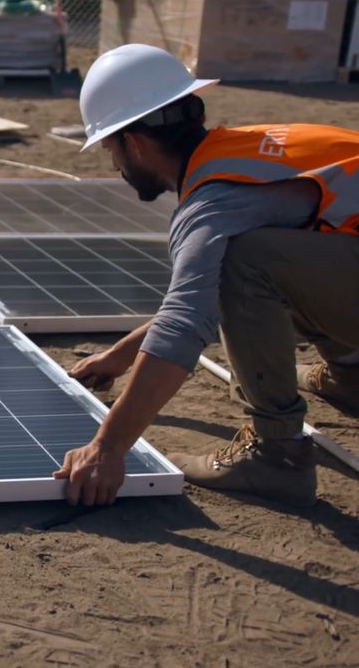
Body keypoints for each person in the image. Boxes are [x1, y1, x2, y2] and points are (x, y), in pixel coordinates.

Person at [54, 43, 359, 508]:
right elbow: (197, 296)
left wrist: (107, 447)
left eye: (110, 149)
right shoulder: (253, 154)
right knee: (269, 257)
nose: (115, 164)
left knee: (244, 260)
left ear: (132, 142)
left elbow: (186, 317)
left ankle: (278, 455)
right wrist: (119, 356)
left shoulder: (214, 202)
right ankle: (350, 374)